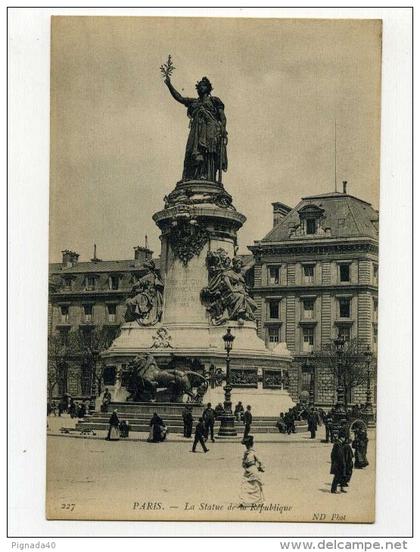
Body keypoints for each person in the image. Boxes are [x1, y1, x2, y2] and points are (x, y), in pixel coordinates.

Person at [164, 75, 227, 182]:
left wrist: (223, 131)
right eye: (199, 86)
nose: (201, 88)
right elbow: (180, 98)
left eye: (204, 86)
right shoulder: (194, 102)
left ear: (208, 88)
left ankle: (205, 175)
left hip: (210, 129)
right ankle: (190, 176)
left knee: (207, 152)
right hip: (196, 131)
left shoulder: (214, 101)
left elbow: (223, 118)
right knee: (191, 150)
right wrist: (169, 85)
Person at [239, 435, 264, 507]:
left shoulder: (253, 453)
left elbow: (260, 461)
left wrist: (260, 468)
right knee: (246, 485)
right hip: (248, 471)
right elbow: (243, 463)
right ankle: (246, 501)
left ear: (250, 445)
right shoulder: (246, 453)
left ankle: (257, 501)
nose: (247, 447)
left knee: (255, 485)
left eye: (247, 445)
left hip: (253, 470)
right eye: (246, 445)